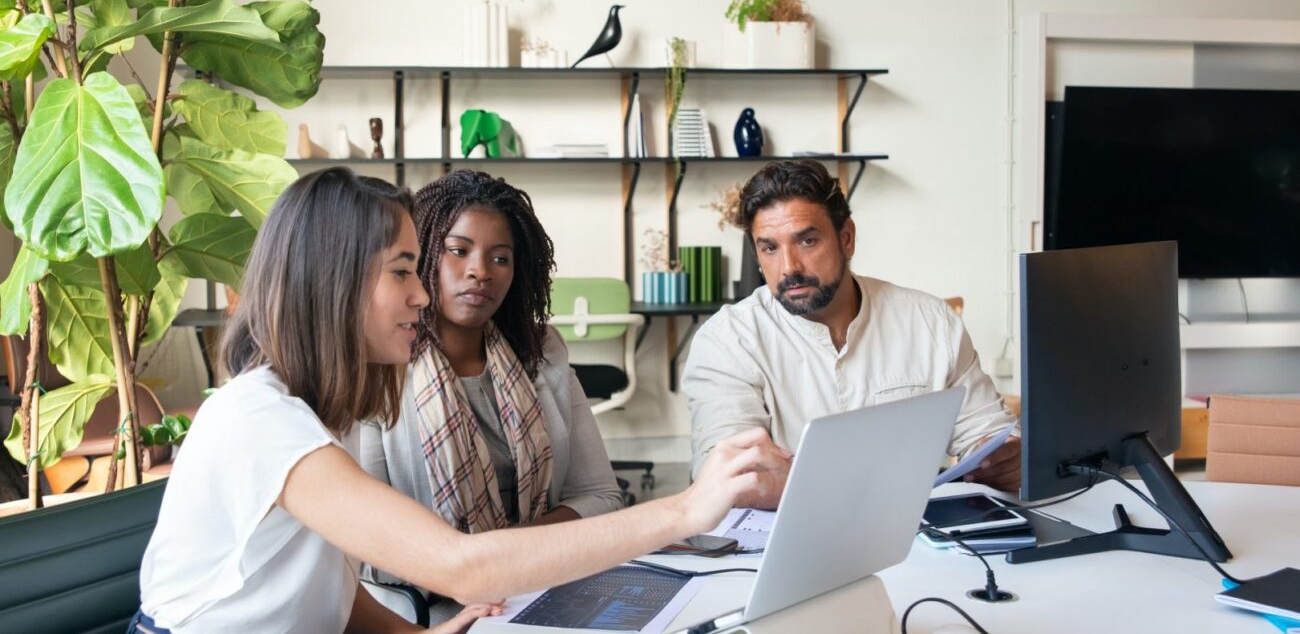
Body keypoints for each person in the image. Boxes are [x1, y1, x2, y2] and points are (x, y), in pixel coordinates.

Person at [135, 167, 768, 633]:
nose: (421, 295)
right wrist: (687, 511)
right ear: (336, 281)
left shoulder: (313, 409)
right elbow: (459, 567)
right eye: (405, 271)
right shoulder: (260, 419)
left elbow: (324, 584)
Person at [682, 160, 1019, 511]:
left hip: (917, 540)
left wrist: (1002, 458)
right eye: (770, 248)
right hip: (783, 546)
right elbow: (730, 477)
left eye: (807, 240)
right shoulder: (727, 341)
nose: (789, 267)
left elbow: (990, 433)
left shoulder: (931, 323)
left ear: (846, 238)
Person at [358, 171, 623, 608]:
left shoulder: (543, 352)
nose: (480, 271)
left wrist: (504, 557)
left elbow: (600, 497)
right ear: (421, 256)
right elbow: (373, 552)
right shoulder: (380, 367)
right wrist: (481, 567)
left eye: (500, 258)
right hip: (434, 609)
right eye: (458, 251)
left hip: (546, 585)